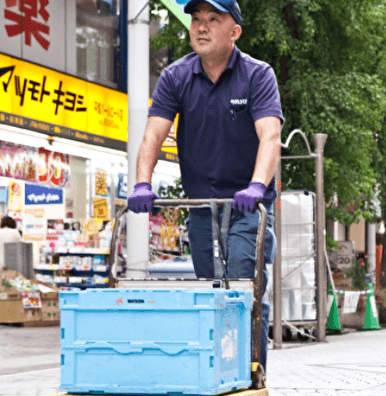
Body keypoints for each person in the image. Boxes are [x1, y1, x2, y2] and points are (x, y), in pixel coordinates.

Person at [127, 0, 283, 372]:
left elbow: (271, 136)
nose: (201, 26)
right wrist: (142, 183)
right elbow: (152, 135)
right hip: (201, 204)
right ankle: (215, 371)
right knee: (209, 289)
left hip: (248, 204)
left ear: (234, 32)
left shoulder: (257, 75)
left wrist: (257, 185)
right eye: (196, 18)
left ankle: (251, 371)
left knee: (244, 285)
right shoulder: (176, 76)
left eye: (214, 19)